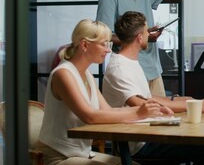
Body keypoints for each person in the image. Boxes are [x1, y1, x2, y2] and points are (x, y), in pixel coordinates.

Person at [37, 19, 172, 165]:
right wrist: (138, 113)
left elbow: (108, 110)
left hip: (83, 154)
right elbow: (90, 116)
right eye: (104, 44)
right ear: (84, 45)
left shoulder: (85, 73)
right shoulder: (63, 74)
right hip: (59, 157)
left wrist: (148, 110)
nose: (108, 50)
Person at [102, 11, 204, 165]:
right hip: (138, 143)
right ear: (139, 37)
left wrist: (185, 100)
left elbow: (148, 97)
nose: (149, 35)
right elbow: (143, 105)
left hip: (149, 132)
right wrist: (192, 106)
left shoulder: (130, 62)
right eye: (146, 31)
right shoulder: (119, 67)